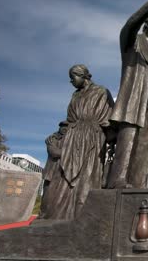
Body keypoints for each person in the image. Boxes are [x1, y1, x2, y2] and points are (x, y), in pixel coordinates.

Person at [107, 0, 148, 189]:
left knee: (144, 147)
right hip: (134, 102)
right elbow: (129, 25)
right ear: (146, 23)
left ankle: (137, 183)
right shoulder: (132, 42)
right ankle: (117, 180)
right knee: (127, 142)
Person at [42, 64, 113, 220]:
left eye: (72, 77)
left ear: (82, 75)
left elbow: (110, 120)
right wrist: (56, 137)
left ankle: (82, 218)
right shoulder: (75, 95)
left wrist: (112, 142)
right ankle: (58, 217)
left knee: (86, 181)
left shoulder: (101, 92)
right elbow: (69, 121)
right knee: (61, 181)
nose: (71, 81)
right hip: (72, 139)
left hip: (92, 139)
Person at [38, 121, 68, 218]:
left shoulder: (69, 140)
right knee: (47, 193)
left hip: (62, 171)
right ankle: (43, 214)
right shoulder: (53, 139)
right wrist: (70, 153)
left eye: (66, 127)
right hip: (51, 171)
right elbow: (54, 152)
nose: (64, 129)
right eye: (62, 126)